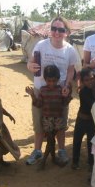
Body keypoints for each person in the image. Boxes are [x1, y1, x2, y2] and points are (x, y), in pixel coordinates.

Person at [26, 16, 77, 165]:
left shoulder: (70, 50)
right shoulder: (41, 45)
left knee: (60, 123)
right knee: (39, 122)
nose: (56, 32)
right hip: (40, 91)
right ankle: (37, 151)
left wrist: (67, 86)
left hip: (60, 94)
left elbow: (70, 71)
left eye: (60, 29)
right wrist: (30, 66)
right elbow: (31, 62)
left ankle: (61, 151)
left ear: (66, 32)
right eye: (54, 28)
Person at [26, 64, 72, 166]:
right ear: (45, 79)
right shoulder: (43, 90)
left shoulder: (61, 90)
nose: (51, 83)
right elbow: (39, 104)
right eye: (49, 81)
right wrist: (33, 95)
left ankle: (57, 154)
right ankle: (48, 157)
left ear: (58, 79)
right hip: (47, 121)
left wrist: (69, 93)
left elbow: (65, 103)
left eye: (54, 81)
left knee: (58, 134)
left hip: (58, 120)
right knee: (50, 141)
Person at [0, 79, 20, 169]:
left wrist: (9, 115)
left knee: (4, 144)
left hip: (1, 127)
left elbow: (1, 109)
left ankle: (2, 161)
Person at [72, 68, 95, 171]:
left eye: (91, 79)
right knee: (77, 141)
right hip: (81, 120)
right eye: (86, 80)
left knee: (91, 143)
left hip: (91, 121)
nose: (90, 81)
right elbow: (93, 105)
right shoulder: (83, 92)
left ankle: (91, 163)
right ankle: (75, 162)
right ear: (82, 81)